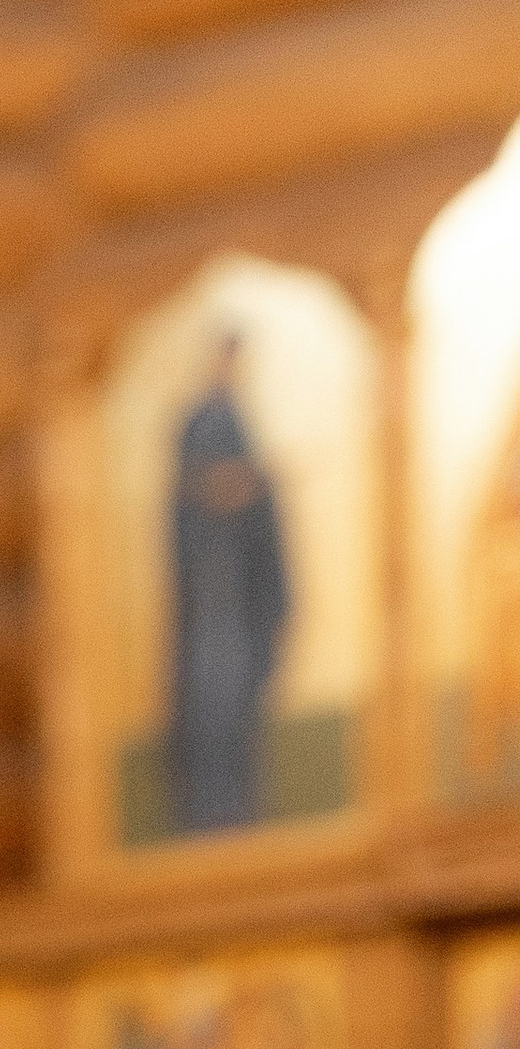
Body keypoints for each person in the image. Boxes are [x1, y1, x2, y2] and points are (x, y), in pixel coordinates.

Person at [169, 329, 290, 838]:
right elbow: (205, 488)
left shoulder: (234, 418)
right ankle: (212, 810)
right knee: (214, 699)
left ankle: (235, 808)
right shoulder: (204, 421)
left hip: (239, 592)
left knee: (240, 700)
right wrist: (256, 480)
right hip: (213, 591)